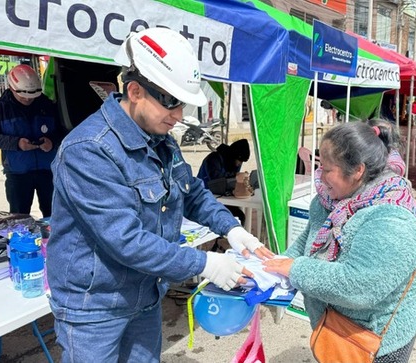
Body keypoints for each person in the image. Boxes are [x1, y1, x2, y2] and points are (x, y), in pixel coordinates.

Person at [46, 28, 273, 363]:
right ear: (135, 91)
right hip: (94, 307)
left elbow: (191, 191)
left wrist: (233, 230)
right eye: (170, 102)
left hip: (145, 294)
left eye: (182, 103)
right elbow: (125, 240)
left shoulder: (161, 140)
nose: (178, 115)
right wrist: (205, 262)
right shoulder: (88, 151)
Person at [263, 122, 416, 363]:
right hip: (333, 329)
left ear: (357, 170)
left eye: (327, 169)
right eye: (319, 166)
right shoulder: (329, 200)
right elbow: (307, 243)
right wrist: (268, 269)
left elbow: (359, 286)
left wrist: (295, 269)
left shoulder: (391, 218)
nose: (320, 175)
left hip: (373, 342)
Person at [0, 64, 60, 217]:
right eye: (23, 95)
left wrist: (52, 142)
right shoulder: (0, 108)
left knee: (55, 216)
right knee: (19, 218)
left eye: (32, 95)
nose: (27, 99)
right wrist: (16, 143)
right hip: (17, 173)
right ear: (11, 87)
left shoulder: (48, 105)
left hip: (48, 171)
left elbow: (64, 132)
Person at [197, 138, 251, 224]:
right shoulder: (213, 159)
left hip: (221, 196)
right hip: (205, 196)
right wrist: (235, 177)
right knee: (237, 216)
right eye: (239, 160)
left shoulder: (233, 160)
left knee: (239, 216)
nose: (239, 164)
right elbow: (216, 180)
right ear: (234, 155)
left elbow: (232, 179)